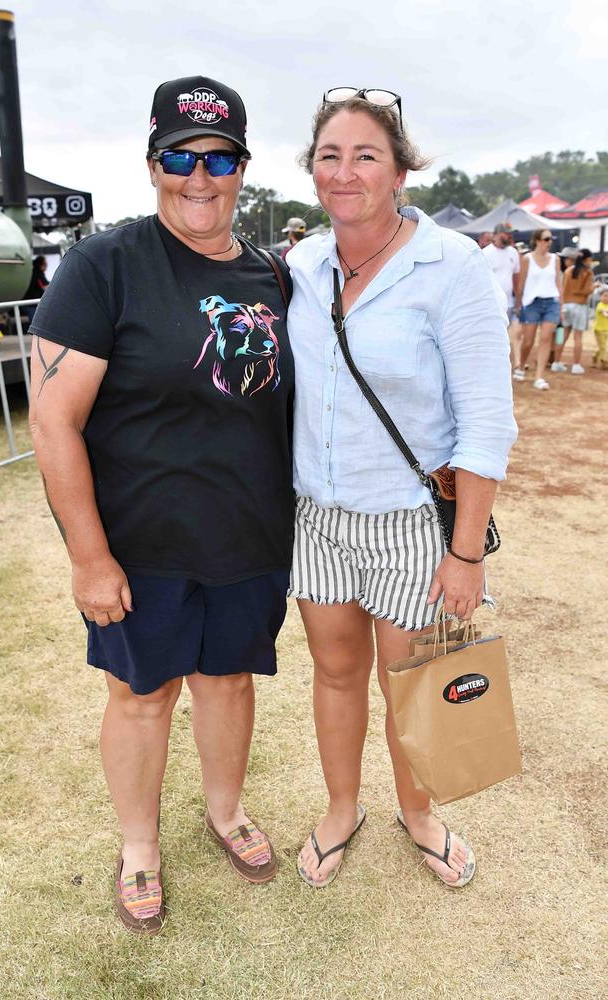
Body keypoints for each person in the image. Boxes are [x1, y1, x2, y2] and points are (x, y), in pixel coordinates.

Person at [28, 75, 295, 935]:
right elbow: (54, 420)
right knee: (143, 695)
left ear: (243, 170)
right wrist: (88, 557)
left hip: (249, 536)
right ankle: (139, 844)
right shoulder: (107, 263)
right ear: (152, 164)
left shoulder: (271, 276)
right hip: (140, 544)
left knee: (228, 684)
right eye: (180, 155)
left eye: (220, 158)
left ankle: (224, 811)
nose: (200, 175)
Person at [285, 88, 517, 890]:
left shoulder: (450, 267)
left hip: (410, 523)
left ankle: (420, 813)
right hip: (316, 517)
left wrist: (465, 553)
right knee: (336, 670)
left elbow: (487, 423)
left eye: (365, 155)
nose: (344, 172)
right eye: (329, 155)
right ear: (312, 170)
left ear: (400, 170)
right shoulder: (301, 264)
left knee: (414, 679)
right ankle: (341, 806)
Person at [514, 228, 562, 390]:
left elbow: (558, 283)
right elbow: (521, 283)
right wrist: (518, 304)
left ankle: (539, 377)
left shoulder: (555, 259)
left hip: (551, 302)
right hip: (531, 303)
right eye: (546, 239)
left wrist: (560, 305)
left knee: (546, 338)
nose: (549, 242)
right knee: (528, 341)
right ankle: (521, 367)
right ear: (537, 240)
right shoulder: (527, 258)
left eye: (550, 239)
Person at [482, 223, 521, 368]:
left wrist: (519, 300)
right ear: (497, 234)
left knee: (513, 334)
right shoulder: (486, 253)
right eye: (507, 233)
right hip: (491, 303)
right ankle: (493, 364)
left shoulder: (513, 253)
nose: (510, 236)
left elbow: (516, 278)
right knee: (494, 335)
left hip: (510, 302)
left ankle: (514, 364)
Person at [552, 248, 596, 375]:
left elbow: (563, 289)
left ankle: (556, 362)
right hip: (579, 306)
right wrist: (593, 287)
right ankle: (576, 365)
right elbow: (586, 290)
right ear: (586, 259)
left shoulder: (568, 271)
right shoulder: (587, 272)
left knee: (562, 334)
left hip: (566, 306)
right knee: (578, 337)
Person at [22, 255, 50, 322]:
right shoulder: (38, 274)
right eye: (45, 263)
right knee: (36, 322)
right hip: (31, 304)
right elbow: (46, 288)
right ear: (42, 264)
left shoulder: (32, 273)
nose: (47, 265)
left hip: (29, 303)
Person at [592, 287, 608, 369]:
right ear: (600, 297)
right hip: (599, 330)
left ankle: (595, 356)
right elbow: (604, 313)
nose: (606, 298)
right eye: (605, 296)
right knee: (603, 347)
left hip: (606, 330)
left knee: (602, 346)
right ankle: (604, 362)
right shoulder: (600, 305)